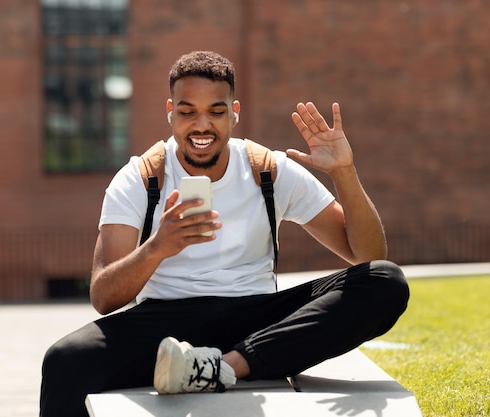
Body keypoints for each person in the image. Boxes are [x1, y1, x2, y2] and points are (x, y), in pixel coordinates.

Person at [40, 50, 409, 416]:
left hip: (256, 318)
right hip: (164, 327)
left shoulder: (269, 171)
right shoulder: (139, 178)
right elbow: (103, 296)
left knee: (386, 282)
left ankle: (223, 368)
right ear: (171, 112)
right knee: (64, 361)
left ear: (234, 113)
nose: (202, 125)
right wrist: (156, 248)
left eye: (216, 111)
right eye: (187, 112)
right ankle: (211, 364)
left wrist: (344, 172)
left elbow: (368, 256)